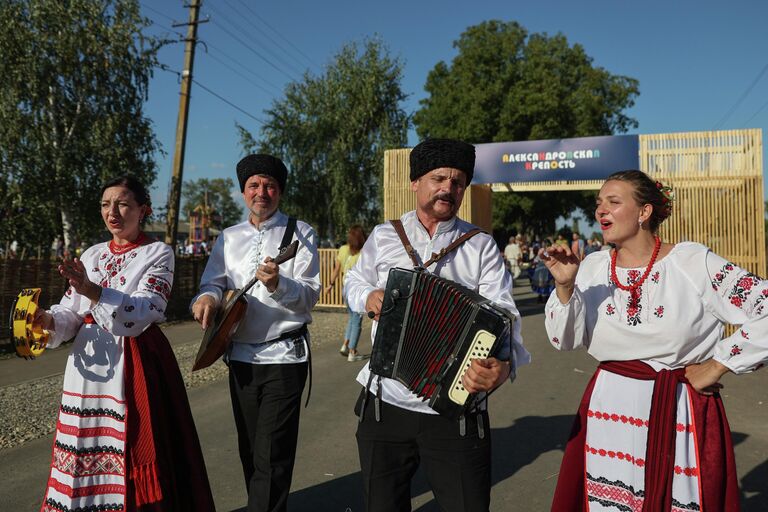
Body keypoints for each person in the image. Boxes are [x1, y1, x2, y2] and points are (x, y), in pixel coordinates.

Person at [541, 170, 766, 511]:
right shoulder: (593, 267)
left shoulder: (691, 262)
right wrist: (565, 286)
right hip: (610, 409)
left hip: (679, 408)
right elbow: (563, 340)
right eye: (599, 203)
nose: (602, 210)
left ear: (644, 212)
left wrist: (719, 364)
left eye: (614, 202)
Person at [345, 138, 530, 512]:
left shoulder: (480, 246)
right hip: (386, 402)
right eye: (439, 178)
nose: (448, 188)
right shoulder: (384, 236)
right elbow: (355, 281)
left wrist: (504, 366)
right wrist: (366, 297)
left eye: (458, 182)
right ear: (416, 182)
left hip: (455, 407)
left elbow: (504, 315)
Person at [34, 175, 215, 511]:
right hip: (87, 372)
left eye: (123, 204)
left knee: (136, 447)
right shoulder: (93, 253)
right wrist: (48, 320)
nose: (112, 211)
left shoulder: (157, 252)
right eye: (106, 204)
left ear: (142, 210)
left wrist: (94, 291)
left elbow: (147, 309)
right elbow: (71, 312)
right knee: (83, 442)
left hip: (134, 362)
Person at [191, 154, 320, 512]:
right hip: (241, 358)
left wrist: (279, 285)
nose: (261, 192)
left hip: (285, 356)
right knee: (250, 448)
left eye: (269, 185)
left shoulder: (301, 232)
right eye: (254, 186)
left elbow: (310, 295)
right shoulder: (229, 238)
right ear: (243, 192)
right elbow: (213, 282)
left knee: (272, 451)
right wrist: (206, 299)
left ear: (279, 191)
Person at [325, 225, 368, 362]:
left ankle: (345, 345)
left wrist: (330, 285)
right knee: (357, 321)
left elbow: (336, 270)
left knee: (352, 318)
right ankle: (352, 352)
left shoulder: (343, 249)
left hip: (346, 289)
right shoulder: (364, 253)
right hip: (358, 291)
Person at [531, 238, 555, 303]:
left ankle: (546, 296)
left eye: (545, 244)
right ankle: (541, 296)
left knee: (547, 283)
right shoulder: (542, 251)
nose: (544, 245)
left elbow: (536, 260)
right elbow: (536, 260)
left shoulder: (550, 252)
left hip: (546, 269)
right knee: (540, 283)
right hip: (541, 269)